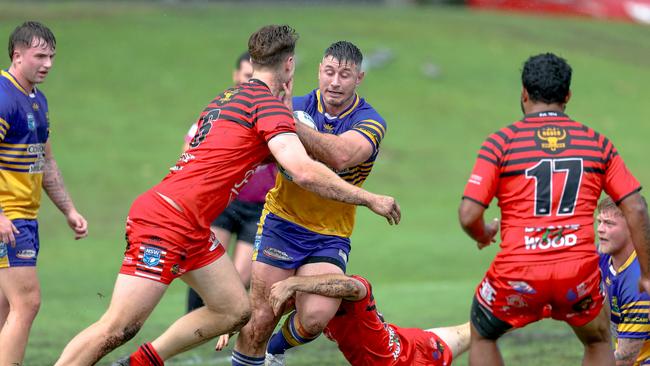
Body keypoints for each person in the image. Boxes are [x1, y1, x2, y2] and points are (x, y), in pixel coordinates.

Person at [55, 25, 400, 366]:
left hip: (191, 224)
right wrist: (369, 198)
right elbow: (305, 170)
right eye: (328, 72)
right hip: (168, 218)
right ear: (290, 65)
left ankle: (141, 362)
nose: (335, 82)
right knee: (118, 328)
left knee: (235, 310)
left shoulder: (227, 97)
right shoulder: (269, 107)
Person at [458, 52, 650, 366]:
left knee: (483, 333)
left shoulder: (501, 143)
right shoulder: (597, 144)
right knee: (599, 338)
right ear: (568, 96)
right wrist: (647, 274)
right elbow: (637, 208)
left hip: (518, 274)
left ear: (523, 93)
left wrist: (484, 233)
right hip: (577, 276)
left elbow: (468, 215)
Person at [231, 41, 390, 366]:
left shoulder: (370, 121)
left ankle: (275, 347)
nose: (334, 82)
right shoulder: (298, 104)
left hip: (330, 233)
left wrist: (288, 122)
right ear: (319, 70)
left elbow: (341, 154)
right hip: (281, 222)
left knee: (316, 316)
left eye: (344, 75)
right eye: (329, 72)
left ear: (358, 78)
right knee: (261, 315)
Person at [0, 21, 88, 366]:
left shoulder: (37, 99)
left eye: (51, 56)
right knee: (28, 302)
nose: (48, 63)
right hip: (9, 218)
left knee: (6, 307)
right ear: (17, 55)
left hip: (25, 216)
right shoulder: (3, 97)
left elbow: (45, 161)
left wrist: (69, 209)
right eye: (40, 56)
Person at [184, 51, 273, 312]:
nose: (250, 84)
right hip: (222, 202)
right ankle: (192, 321)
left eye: (255, 78)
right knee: (205, 269)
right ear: (236, 75)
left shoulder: (271, 114)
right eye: (246, 77)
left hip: (258, 209)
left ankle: (219, 324)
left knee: (240, 279)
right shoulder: (221, 111)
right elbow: (190, 157)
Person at [218, 274, 470, 365]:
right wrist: (237, 324)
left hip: (410, 354)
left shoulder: (348, 294)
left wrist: (295, 282)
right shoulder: (315, 304)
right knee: (480, 327)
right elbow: (273, 308)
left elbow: (355, 286)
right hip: (412, 342)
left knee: (485, 325)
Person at [597, 196, 650, 366]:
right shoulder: (603, 256)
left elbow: (626, 358)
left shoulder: (638, 283)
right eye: (599, 222)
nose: (600, 229)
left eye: (609, 224)